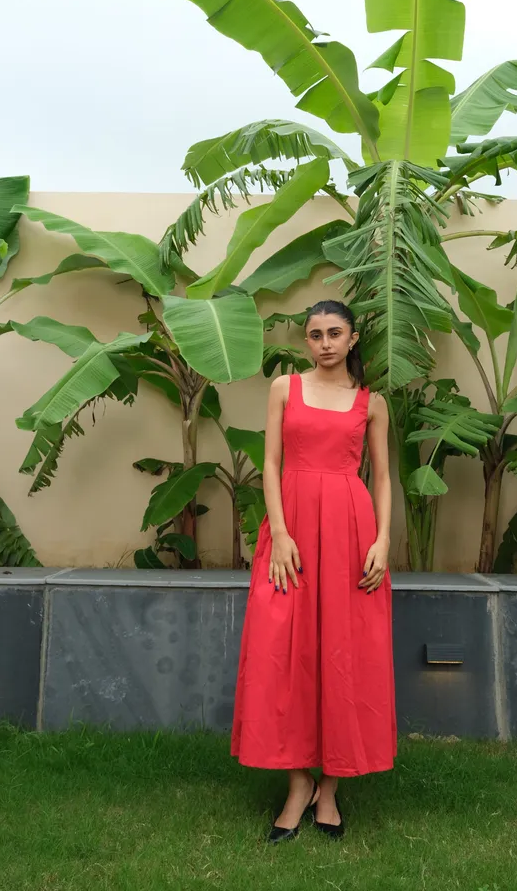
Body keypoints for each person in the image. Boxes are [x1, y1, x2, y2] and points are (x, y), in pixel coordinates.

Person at [230, 299, 397, 844]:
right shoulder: (284, 389)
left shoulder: (372, 404)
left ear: (352, 340)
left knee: (344, 653)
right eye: (314, 334)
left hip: (350, 533)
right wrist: (278, 533)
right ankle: (297, 782)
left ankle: (330, 788)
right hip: (293, 530)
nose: (324, 343)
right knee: (285, 650)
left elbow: (383, 478)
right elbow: (272, 463)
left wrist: (383, 540)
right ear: (307, 342)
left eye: (335, 333)